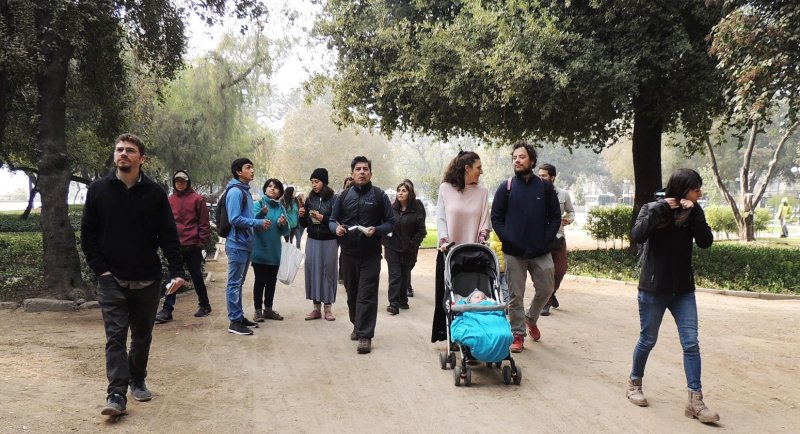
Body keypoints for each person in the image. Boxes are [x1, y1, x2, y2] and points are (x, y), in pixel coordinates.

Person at [81, 133, 187, 417]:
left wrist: (177, 271)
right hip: (111, 279)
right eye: (119, 149)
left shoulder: (154, 193)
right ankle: (116, 394)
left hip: (147, 279)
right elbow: (88, 236)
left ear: (142, 158)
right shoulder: (98, 190)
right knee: (115, 337)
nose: (123, 154)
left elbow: (168, 235)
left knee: (142, 336)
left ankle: (137, 378)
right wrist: (101, 270)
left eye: (129, 150)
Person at [627, 168, 718, 423]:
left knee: (691, 343)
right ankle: (634, 383)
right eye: (696, 189)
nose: (699, 193)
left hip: (683, 291)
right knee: (647, 339)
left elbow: (706, 241)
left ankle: (695, 401)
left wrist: (695, 212)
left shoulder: (693, 212)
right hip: (654, 289)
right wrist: (660, 210)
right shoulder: (653, 208)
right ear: (683, 188)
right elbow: (637, 235)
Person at [490, 141, 561, 353]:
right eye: (514, 157)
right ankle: (518, 334)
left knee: (547, 289)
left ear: (531, 160)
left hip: (540, 250)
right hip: (514, 253)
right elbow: (496, 217)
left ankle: (531, 318)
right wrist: (508, 239)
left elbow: (555, 217)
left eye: (521, 157)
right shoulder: (507, 187)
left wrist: (546, 240)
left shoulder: (545, 187)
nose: (517, 160)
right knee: (515, 295)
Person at [331, 156, 395, 354]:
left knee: (367, 294)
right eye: (358, 169)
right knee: (353, 294)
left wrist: (377, 229)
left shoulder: (379, 195)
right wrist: (336, 229)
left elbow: (391, 223)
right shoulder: (343, 197)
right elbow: (332, 220)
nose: (361, 172)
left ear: (370, 173)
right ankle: (357, 325)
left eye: (365, 169)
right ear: (352, 173)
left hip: (371, 255)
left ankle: (365, 335)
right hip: (348, 254)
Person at [431, 151, 491, 344]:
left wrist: (483, 238)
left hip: (474, 255)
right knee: (448, 296)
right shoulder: (445, 188)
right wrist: (443, 240)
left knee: (474, 296)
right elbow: (440, 217)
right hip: (449, 253)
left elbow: (484, 221)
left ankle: (475, 335)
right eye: (478, 167)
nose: (481, 172)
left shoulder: (482, 192)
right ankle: (449, 334)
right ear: (467, 168)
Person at [155, 170, 212, 324]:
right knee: (173, 277)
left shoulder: (197, 199)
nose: (180, 184)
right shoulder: (170, 200)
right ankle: (167, 310)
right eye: (178, 181)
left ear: (188, 182)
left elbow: (204, 224)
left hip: (192, 245)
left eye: (183, 181)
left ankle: (205, 305)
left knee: (196, 276)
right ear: (174, 182)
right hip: (175, 246)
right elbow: (165, 223)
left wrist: (200, 243)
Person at [223, 158, 268, 336]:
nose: (252, 170)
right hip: (237, 244)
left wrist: (258, 217)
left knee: (239, 283)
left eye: (252, 167)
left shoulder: (245, 191)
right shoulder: (235, 192)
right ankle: (234, 321)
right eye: (248, 167)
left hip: (245, 244)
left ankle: (239, 317)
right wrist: (257, 222)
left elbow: (245, 216)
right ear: (238, 172)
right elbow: (234, 219)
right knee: (234, 283)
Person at [383, 180, 426, 315]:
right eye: (399, 190)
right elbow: (385, 226)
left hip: (408, 250)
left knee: (404, 275)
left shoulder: (416, 211)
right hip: (392, 248)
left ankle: (402, 299)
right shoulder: (391, 209)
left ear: (410, 193)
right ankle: (394, 303)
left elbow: (421, 231)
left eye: (404, 191)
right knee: (395, 275)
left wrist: (413, 244)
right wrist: (386, 241)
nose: (400, 193)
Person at [300, 168, 339, 322]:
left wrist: (323, 218)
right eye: (312, 182)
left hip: (329, 240)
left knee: (328, 272)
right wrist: (302, 216)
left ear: (324, 182)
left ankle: (328, 309)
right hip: (312, 240)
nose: (314, 185)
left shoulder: (334, 199)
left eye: (316, 181)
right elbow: (305, 224)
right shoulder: (310, 199)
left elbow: (336, 219)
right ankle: (316, 308)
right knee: (313, 271)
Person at [537, 163, 574, 316]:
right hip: (540, 238)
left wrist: (567, 220)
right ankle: (545, 302)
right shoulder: (534, 193)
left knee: (560, 269)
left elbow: (571, 212)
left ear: (552, 177)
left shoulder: (563, 194)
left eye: (544, 175)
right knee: (544, 271)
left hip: (558, 237)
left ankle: (550, 294)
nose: (540, 178)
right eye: (539, 175)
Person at [251, 178, 290, 322]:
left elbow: (286, 231)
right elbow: (252, 223)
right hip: (260, 250)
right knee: (260, 281)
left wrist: (282, 224)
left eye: (276, 187)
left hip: (274, 252)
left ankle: (268, 309)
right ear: (265, 189)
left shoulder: (281, 208)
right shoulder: (258, 204)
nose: (272, 189)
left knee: (271, 282)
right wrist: (262, 214)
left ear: (280, 191)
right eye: (269, 186)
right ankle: (257, 311)